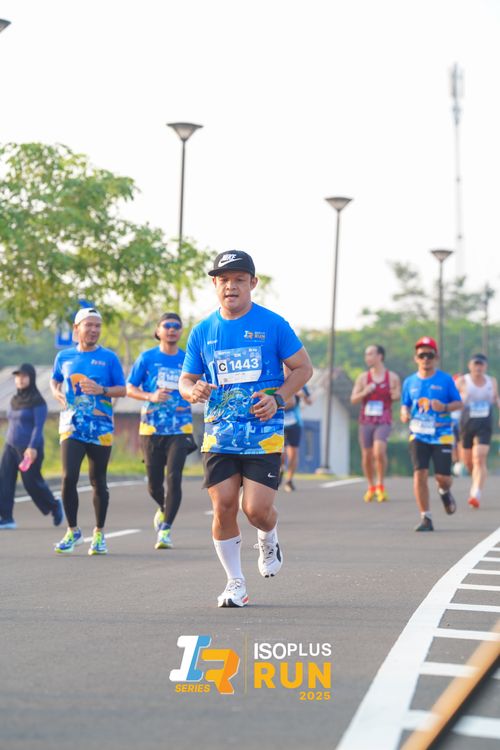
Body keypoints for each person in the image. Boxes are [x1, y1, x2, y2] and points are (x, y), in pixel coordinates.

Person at [179, 250, 312, 608]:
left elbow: (303, 368)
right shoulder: (203, 330)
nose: (231, 286)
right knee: (223, 505)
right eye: (224, 280)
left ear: (253, 283)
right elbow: (186, 379)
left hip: (262, 434)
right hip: (219, 434)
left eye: (239, 279)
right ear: (215, 285)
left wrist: (279, 398)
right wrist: (192, 389)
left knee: (255, 511)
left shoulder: (273, 324)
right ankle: (234, 582)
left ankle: (268, 536)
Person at [50, 308, 126, 554]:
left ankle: (99, 533)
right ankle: (73, 531)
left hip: (100, 426)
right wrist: (56, 392)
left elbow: (122, 389)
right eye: (89, 325)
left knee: (98, 481)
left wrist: (101, 390)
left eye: (97, 326)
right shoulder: (64, 356)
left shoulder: (109, 358)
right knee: (68, 477)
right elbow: (55, 379)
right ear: (77, 329)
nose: (94, 330)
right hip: (71, 425)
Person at [127, 312, 196, 549]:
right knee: (154, 485)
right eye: (167, 325)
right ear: (158, 331)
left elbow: (198, 384)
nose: (172, 329)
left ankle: (165, 530)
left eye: (177, 326)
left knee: (174, 477)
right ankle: (163, 508)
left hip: (180, 428)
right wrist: (150, 396)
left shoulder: (188, 359)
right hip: (151, 428)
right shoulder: (147, 358)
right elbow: (129, 388)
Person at [400, 336, 462, 532]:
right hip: (418, 434)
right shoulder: (409, 381)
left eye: (429, 355)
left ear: (436, 357)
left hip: (442, 434)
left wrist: (444, 406)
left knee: (443, 477)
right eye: (422, 355)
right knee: (420, 474)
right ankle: (425, 517)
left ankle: (444, 490)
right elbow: (405, 404)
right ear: (416, 358)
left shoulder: (445, 380)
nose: (425, 359)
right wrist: (404, 413)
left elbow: (459, 403)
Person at [0, 364, 63, 529]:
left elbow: (38, 426)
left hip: (29, 448)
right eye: (17, 376)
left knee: (31, 483)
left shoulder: (38, 402)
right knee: (4, 481)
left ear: (31, 378)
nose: (20, 379)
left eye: (24, 376)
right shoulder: (14, 400)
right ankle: (6, 518)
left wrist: (32, 447)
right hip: (10, 446)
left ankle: (54, 506)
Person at [350, 345, 401, 502]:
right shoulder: (363, 378)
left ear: (380, 356)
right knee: (367, 455)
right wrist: (364, 392)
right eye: (366, 354)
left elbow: (397, 395)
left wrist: (395, 394)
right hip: (366, 420)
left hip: (383, 420)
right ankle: (371, 486)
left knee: (379, 451)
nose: (367, 357)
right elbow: (353, 399)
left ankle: (380, 485)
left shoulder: (392, 377)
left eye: (371, 354)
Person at [456, 353, 500, 509]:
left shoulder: (491, 381)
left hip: (484, 423)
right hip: (467, 423)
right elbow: (452, 401)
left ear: (485, 366)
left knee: (479, 458)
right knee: (468, 462)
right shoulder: (462, 381)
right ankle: (476, 481)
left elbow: (496, 398)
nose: (478, 367)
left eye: (481, 364)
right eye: (476, 364)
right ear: (470, 366)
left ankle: (476, 493)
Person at [281, 383, 312, 492]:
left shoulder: (300, 382)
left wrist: (303, 395)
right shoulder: (278, 379)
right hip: (279, 423)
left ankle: (289, 480)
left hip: (295, 423)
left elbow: (309, 401)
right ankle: (280, 469)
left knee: (293, 453)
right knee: (281, 454)